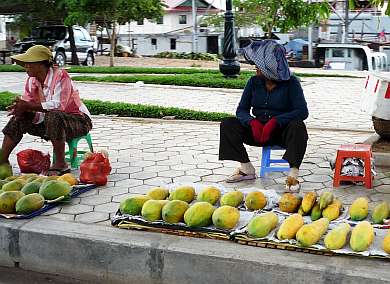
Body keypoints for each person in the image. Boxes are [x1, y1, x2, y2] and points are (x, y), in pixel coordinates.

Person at [219, 40, 309, 192]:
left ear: (271, 67)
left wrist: (276, 121)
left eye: (259, 66)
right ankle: (246, 168)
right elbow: (241, 110)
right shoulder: (253, 82)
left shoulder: (291, 83)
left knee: (298, 127)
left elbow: (302, 111)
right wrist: (251, 123)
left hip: (281, 132)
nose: (256, 69)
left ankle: (293, 174)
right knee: (228, 124)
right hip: (257, 131)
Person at [1, 45, 92, 175]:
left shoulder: (61, 76)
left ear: (41, 64)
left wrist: (28, 106)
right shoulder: (31, 81)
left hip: (79, 121)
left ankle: (61, 164)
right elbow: (31, 107)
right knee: (18, 119)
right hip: (51, 124)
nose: (26, 67)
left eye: (29, 63)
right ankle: (2, 160)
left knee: (53, 115)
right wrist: (21, 109)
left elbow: (59, 105)